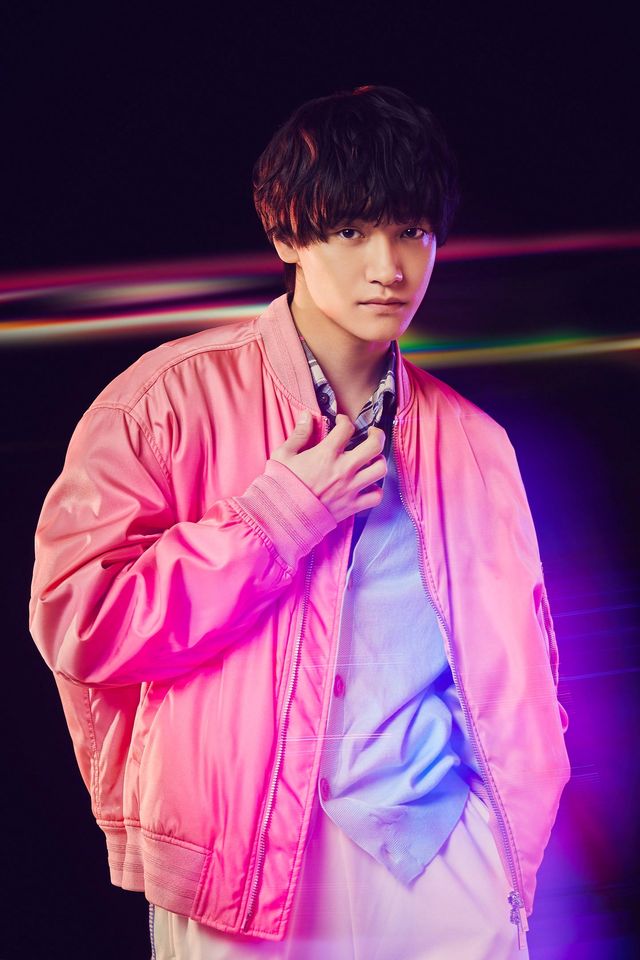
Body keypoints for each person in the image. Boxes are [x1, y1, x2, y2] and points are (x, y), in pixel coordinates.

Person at [29, 85, 570, 959]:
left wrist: (505, 842)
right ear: (286, 234)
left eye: (412, 230)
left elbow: (525, 664)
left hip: (443, 858)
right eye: (351, 231)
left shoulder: (476, 443)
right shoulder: (164, 403)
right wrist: (272, 520)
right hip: (242, 869)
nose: (388, 266)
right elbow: (78, 624)